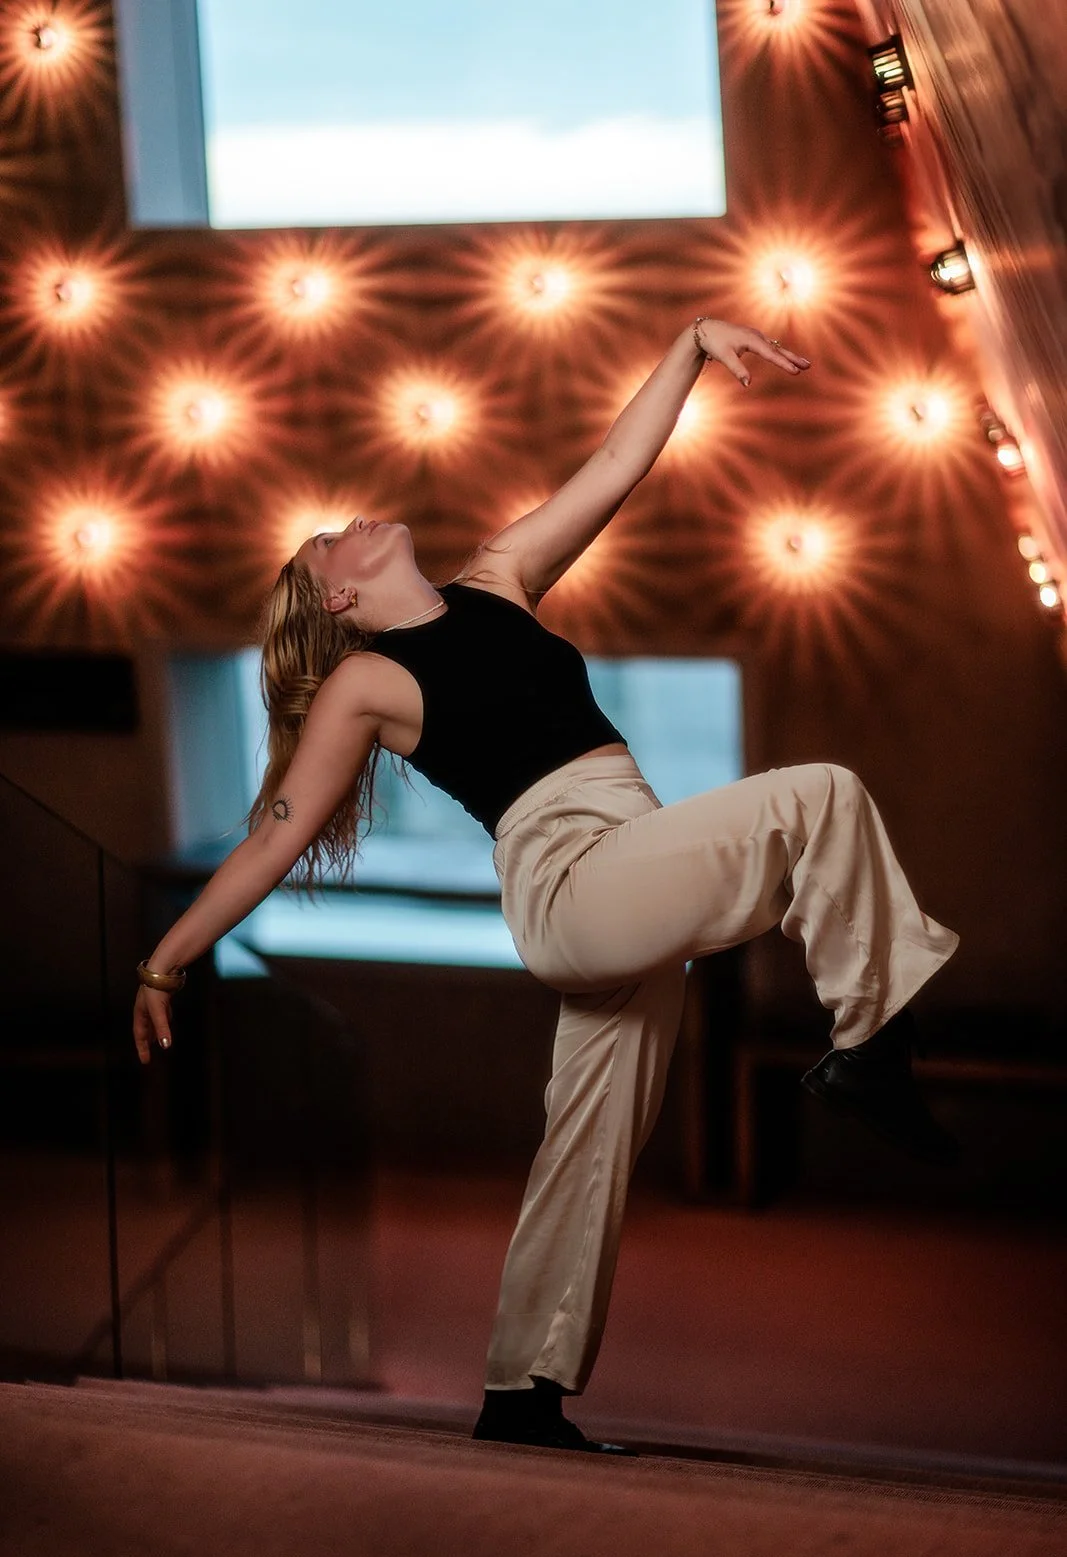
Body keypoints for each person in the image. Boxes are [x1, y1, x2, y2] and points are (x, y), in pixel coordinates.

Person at [132, 316, 960, 1457]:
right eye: (332, 538)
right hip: (571, 880)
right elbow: (273, 838)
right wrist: (165, 957)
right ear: (334, 600)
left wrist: (687, 347)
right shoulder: (367, 679)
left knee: (585, 1143)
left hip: (627, 862)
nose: (355, 517)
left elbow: (615, 466)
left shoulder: (498, 582)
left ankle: (519, 1397)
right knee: (814, 795)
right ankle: (871, 1045)